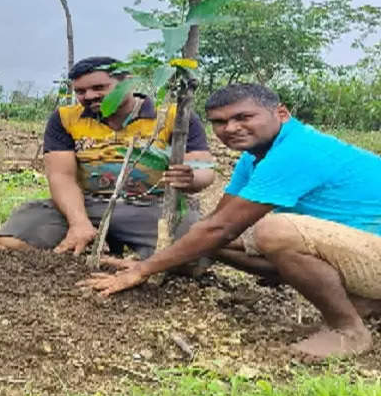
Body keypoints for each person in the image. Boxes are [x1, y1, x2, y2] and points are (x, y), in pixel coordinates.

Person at [80, 83, 381, 360]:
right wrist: (161, 261)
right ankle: (362, 300)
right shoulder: (253, 158)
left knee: (274, 232)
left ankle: (348, 331)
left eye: (243, 117)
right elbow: (215, 225)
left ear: (281, 113)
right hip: (360, 249)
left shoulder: (299, 151)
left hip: (371, 251)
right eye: (220, 122)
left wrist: (144, 269)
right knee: (206, 241)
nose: (231, 128)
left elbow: (223, 227)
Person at [0, 56, 215, 259]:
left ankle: (131, 257)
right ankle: (88, 252)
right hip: (88, 204)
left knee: (193, 255)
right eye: (80, 91)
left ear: (128, 82)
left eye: (99, 87)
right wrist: (78, 222)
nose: (89, 96)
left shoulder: (174, 116)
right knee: (11, 239)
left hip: (152, 206)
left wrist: (191, 177)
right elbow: (61, 176)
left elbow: (203, 169)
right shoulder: (65, 118)